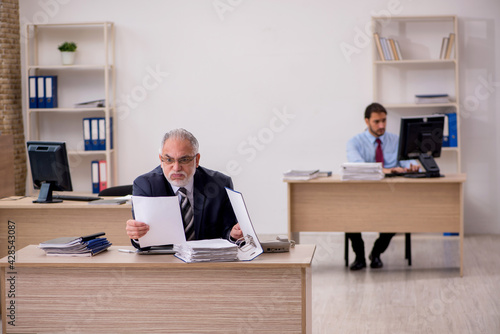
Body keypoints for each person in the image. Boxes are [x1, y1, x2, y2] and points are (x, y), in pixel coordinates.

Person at [126, 128, 243, 247]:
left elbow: (228, 232)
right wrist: (137, 235)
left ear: (196, 160)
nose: (176, 168)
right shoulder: (145, 185)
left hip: (206, 260)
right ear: (161, 160)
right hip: (164, 260)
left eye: (184, 160)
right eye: (169, 160)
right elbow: (142, 240)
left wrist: (234, 234)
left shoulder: (220, 184)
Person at [345, 103, 419, 270]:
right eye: (377, 121)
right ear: (367, 121)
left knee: (397, 218)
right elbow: (358, 166)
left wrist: (413, 165)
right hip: (362, 195)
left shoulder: (396, 140)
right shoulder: (354, 142)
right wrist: (387, 170)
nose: (381, 126)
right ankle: (359, 257)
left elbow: (408, 160)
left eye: (384, 121)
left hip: (390, 195)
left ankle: (376, 253)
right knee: (348, 217)